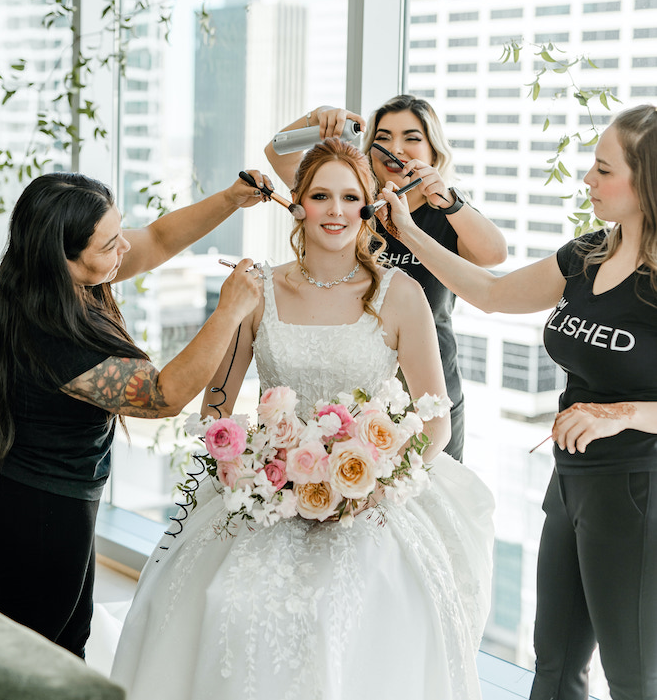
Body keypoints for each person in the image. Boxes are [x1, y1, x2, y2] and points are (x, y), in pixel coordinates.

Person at [110, 139, 495, 700]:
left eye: (349, 197)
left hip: (372, 500)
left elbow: (436, 421)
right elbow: (218, 405)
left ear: (370, 207)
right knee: (232, 607)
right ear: (297, 205)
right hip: (270, 491)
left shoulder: (402, 294)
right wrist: (243, 469)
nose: (335, 210)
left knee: (357, 610)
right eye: (320, 196)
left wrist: (377, 480)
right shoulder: (257, 288)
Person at [375, 104, 657, 700]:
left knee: (636, 679)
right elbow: (493, 293)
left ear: (647, 181)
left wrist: (627, 414)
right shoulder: (589, 255)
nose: (587, 180)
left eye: (603, 170)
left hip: (639, 489)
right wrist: (409, 232)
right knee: (554, 667)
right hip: (571, 480)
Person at [0, 171, 267, 659]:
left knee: (66, 637)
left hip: (66, 495)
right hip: (39, 510)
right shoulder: (49, 334)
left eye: (120, 231)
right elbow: (164, 396)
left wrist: (230, 199)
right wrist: (228, 311)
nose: (123, 247)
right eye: (109, 243)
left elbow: (160, 238)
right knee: (45, 652)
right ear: (63, 255)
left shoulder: (61, 277)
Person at [265, 96, 507, 462]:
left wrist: (446, 200)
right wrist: (318, 119)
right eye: (384, 136)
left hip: (431, 398)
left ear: (432, 150)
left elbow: (494, 254)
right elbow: (278, 153)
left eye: (411, 138)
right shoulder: (351, 206)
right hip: (360, 395)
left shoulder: (449, 213)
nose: (395, 148)